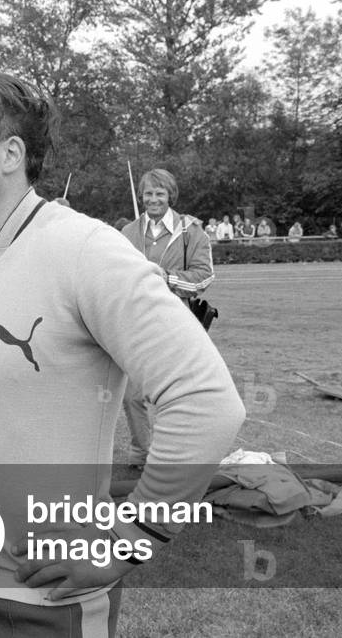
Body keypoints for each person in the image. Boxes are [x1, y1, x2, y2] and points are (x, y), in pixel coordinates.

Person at [0, 70, 244, 637]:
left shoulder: (87, 251)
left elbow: (208, 402)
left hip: (47, 595)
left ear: (9, 153)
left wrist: (131, 539)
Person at [120, 168, 215, 468]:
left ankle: (171, 456)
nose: (153, 199)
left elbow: (204, 276)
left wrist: (167, 278)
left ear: (170, 196)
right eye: (148, 193)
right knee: (132, 396)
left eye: (159, 193)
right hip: (136, 325)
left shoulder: (191, 231)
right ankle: (141, 454)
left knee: (172, 396)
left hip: (177, 326)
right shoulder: (127, 233)